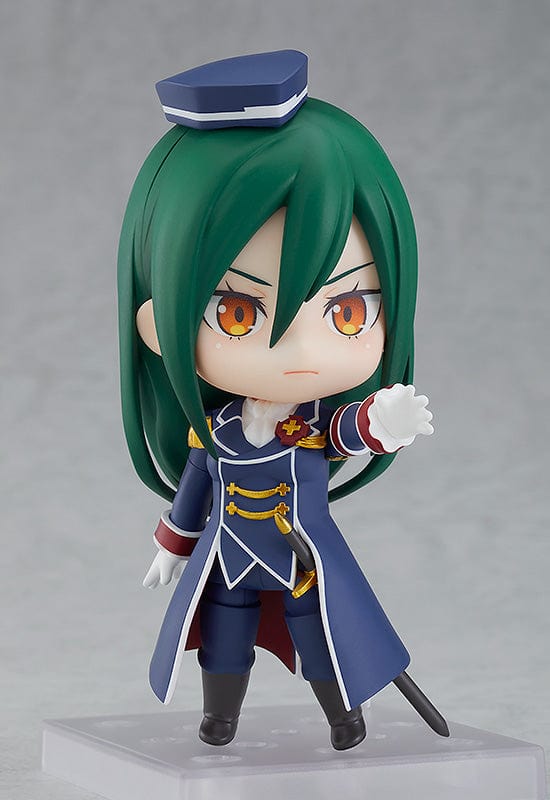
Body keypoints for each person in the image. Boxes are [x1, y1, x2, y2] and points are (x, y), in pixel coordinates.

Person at [118, 52, 436, 751]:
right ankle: (219, 717)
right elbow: (194, 491)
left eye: (348, 311)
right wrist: (174, 545)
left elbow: (347, 430)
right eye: (238, 314)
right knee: (222, 634)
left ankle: (343, 716)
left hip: (301, 559)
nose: (298, 352)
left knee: (320, 634)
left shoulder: (312, 423)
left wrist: (382, 422)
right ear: (157, 323)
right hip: (229, 554)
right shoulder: (216, 430)